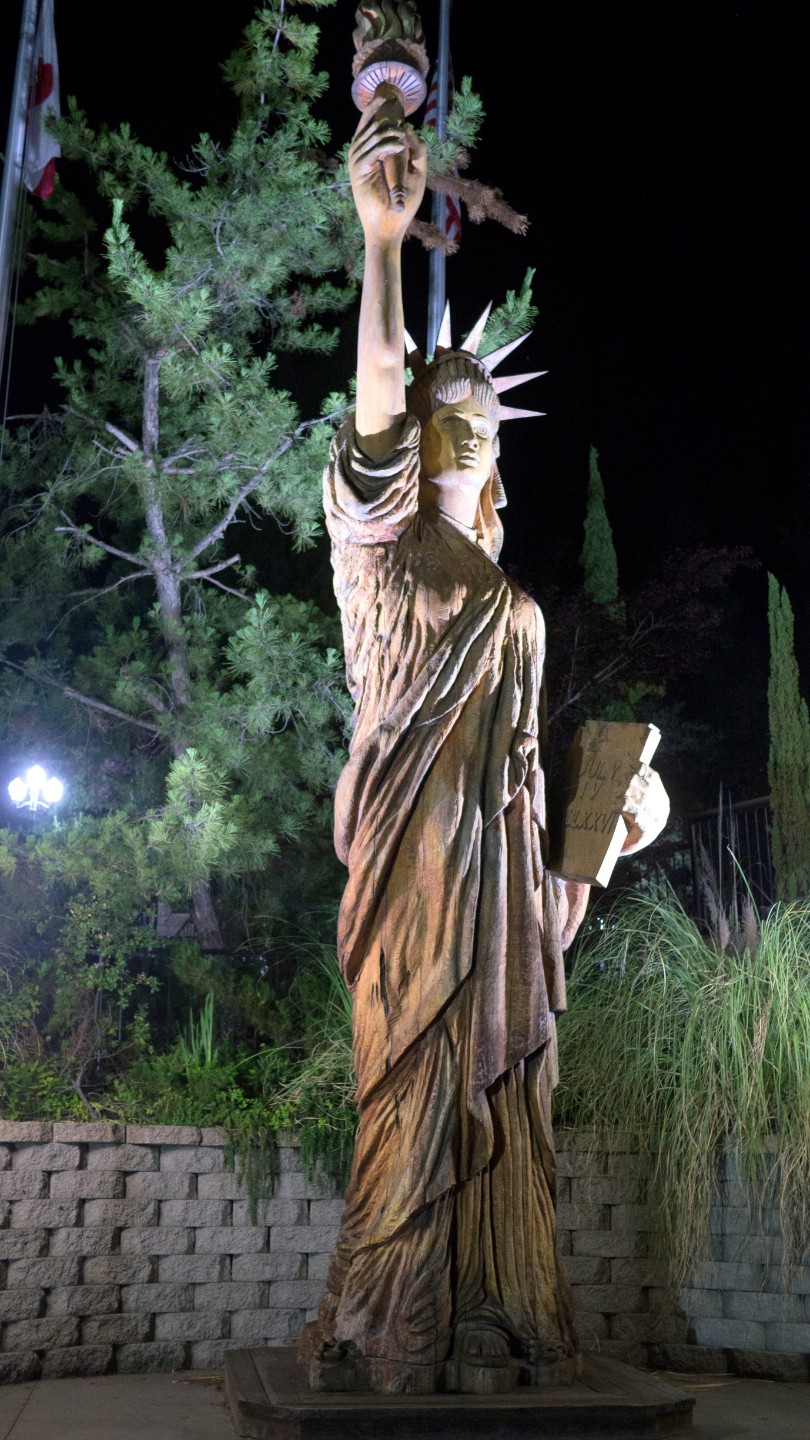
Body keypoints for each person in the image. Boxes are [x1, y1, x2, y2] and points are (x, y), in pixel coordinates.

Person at [300, 92, 668, 1396]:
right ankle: (395, 1311)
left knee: (507, 1086)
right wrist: (382, 246)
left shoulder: (511, 598)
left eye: (481, 415)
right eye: (442, 409)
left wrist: (607, 827)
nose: (463, 425)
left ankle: (500, 1301)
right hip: (414, 868)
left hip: (503, 873)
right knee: (414, 1081)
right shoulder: (385, 561)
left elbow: (527, 764)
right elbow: (374, 396)